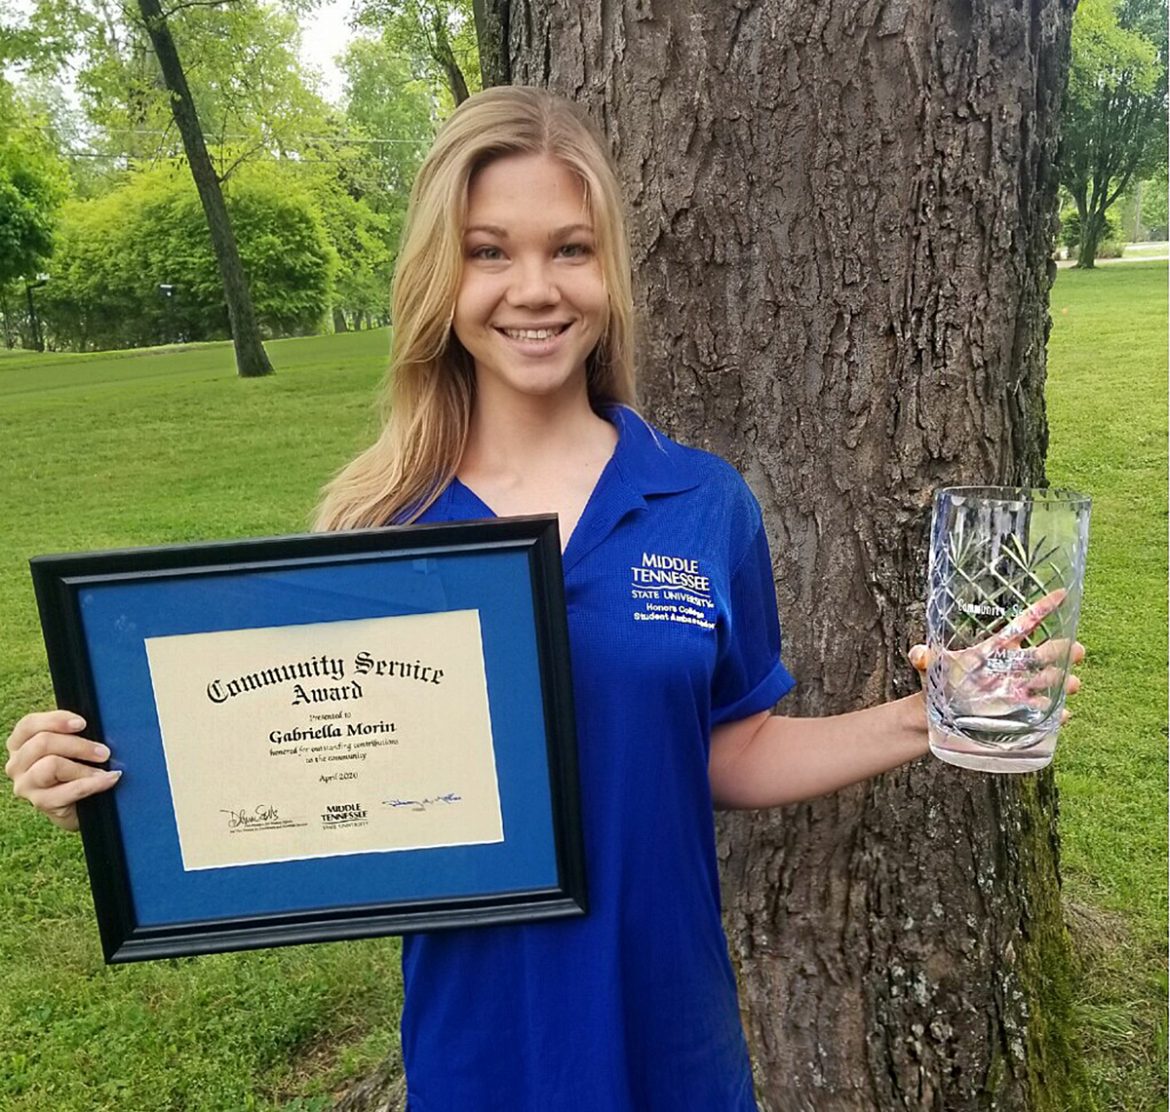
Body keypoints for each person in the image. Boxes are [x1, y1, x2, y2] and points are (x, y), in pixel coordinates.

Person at [5, 87, 1083, 1110]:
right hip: (485, 1042)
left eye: (570, 248)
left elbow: (726, 748)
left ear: (608, 273)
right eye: (490, 251)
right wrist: (115, 783)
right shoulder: (377, 530)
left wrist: (927, 714)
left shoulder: (702, 502)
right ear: (441, 278)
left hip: (671, 1026)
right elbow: (301, 764)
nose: (534, 289)